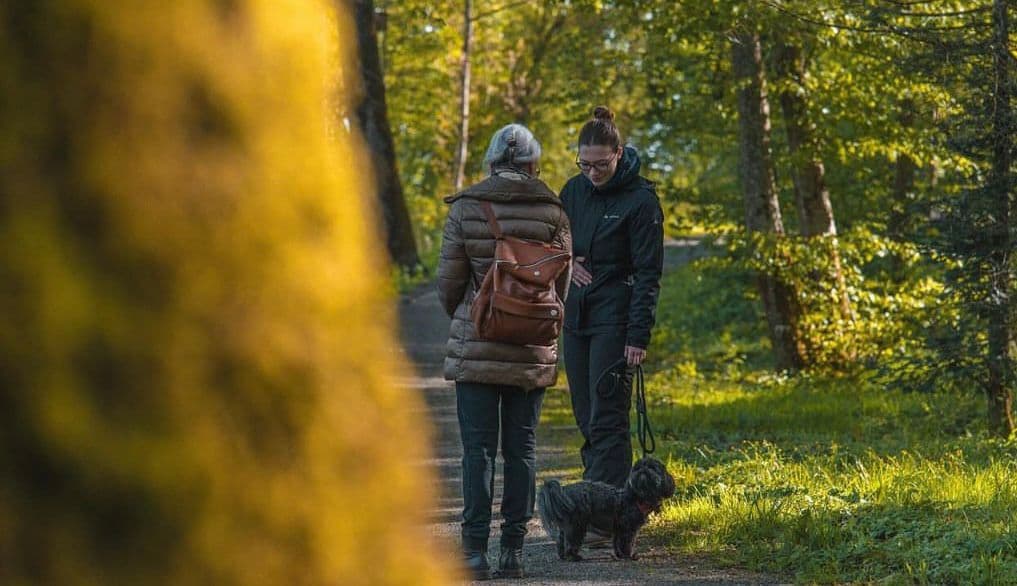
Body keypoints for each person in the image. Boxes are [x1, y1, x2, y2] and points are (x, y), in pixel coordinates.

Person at [437, 123, 572, 580]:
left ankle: (474, 553)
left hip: (478, 344)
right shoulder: (554, 211)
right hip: (531, 345)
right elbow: (562, 286)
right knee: (522, 450)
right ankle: (513, 551)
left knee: (477, 451)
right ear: (534, 164)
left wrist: (471, 314)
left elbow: (448, 282)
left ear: (492, 162)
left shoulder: (468, 207)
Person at [560, 105, 664, 490]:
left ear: (618, 154)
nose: (591, 173)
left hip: (615, 321)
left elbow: (649, 273)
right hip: (576, 320)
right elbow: (551, 243)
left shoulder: (641, 201)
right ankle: (601, 497)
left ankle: (607, 510)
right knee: (585, 416)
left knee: (608, 416)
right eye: (584, 164)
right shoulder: (572, 191)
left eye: (599, 165)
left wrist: (638, 336)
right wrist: (567, 262)